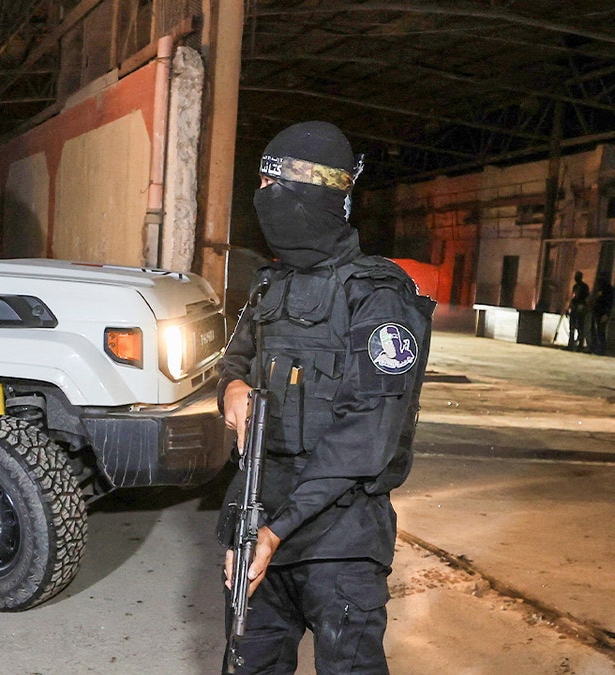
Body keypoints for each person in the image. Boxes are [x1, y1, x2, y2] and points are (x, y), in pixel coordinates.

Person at [216, 121, 434, 674]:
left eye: (271, 187)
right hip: (256, 519)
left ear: (308, 193)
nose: (261, 200)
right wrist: (233, 389)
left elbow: (364, 440)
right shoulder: (271, 284)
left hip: (339, 540)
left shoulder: (379, 297)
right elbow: (235, 359)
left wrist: (275, 533)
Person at [568, 271, 590, 351]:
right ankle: (571, 344)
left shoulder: (584, 287)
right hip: (575, 307)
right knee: (572, 327)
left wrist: (584, 307)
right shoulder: (576, 286)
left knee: (580, 327)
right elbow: (573, 296)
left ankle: (580, 345)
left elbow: (586, 298)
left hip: (580, 308)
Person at [590, 277, 611, 355]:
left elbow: (608, 303)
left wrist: (606, 314)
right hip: (597, 312)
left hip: (602, 313)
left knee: (601, 331)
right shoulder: (600, 289)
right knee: (596, 331)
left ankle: (602, 349)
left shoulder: (608, 291)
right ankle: (595, 347)